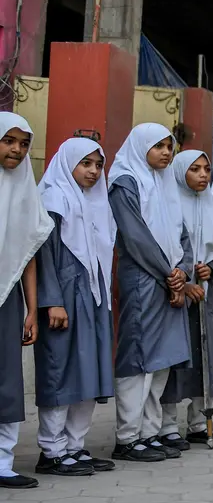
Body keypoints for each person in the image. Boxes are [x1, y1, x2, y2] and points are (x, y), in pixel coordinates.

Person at [108, 124, 194, 462]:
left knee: (161, 360)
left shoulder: (166, 183)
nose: (166, 153)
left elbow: (181, 235)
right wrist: (169, 275)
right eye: (157, 146)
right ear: (140, 146)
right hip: (143, 278)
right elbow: (135, 237)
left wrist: (182, 271)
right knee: (139, 357)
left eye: (169, 147)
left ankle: (148, 432)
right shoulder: (125, 181)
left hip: (168, 278)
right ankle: (127, 438)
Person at [32, 139, 116, 476]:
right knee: (61, 369)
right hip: (64, 297)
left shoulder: (96, 203)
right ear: (67, 163)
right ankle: (51, 450)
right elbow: (44, 255)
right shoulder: (53, 198)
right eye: (86, 164)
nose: (93, 171)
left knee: (89, 370)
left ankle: (74, 446)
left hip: (94, 295)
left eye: (98, 164)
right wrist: (52, 301)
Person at [0, 114, 54, 488]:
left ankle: (2, 462)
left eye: (23, 143)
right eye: (8, 141)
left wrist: (32, 309)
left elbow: (28, 254)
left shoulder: (24, 188)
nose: (16, 150)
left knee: (6, 380)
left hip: (7, 300)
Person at [165, 150, 213, 447]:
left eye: (206, 169)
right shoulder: (168, 204)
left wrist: (209, 268)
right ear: (180, 172)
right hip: (175, 296)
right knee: (173, 363)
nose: (203, 175)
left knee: (203, 359)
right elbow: (165, 250)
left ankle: (197, 424)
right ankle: (166, 427)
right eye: (195, 169)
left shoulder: (209, 203)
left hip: (203, 296)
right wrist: (185, 283)